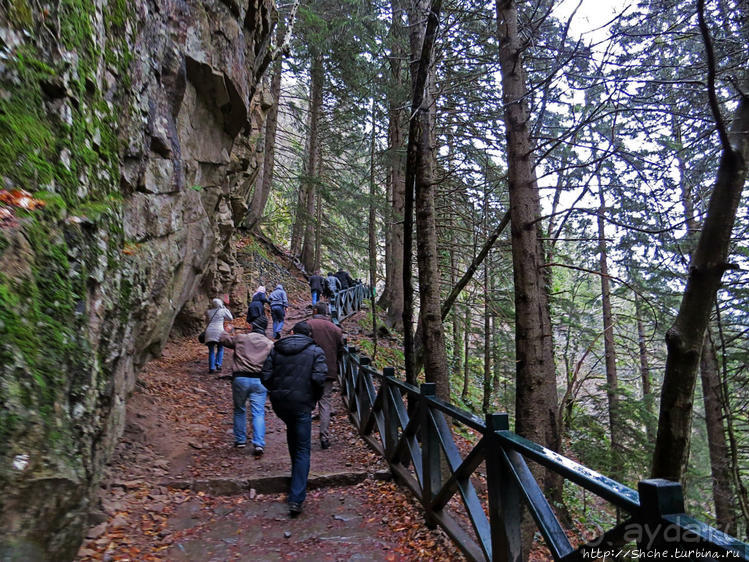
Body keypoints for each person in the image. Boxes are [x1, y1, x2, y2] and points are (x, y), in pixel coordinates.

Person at [261, 321, 326, 516]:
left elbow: (265, 374)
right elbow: (319, 378)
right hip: (302, 403)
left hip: (281, 403)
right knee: (302, 448)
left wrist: (275, 391)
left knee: (293, 434)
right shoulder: (316, 351)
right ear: (309, 334)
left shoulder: (277, 349)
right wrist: (314, 397)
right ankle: (296, 498)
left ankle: (295, 478)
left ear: (292, 332)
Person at [220, 317, 274, 455]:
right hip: (260, 381)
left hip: (241, 379)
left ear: (251, 327)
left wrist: (227, 331)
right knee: (258, 412)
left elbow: (224, 340)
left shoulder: (241, 338)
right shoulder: (269, 344)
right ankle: (259, 443)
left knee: (239, 409)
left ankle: (240, 440)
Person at [306, 303, 343, 450]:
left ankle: (304, 436)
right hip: (328, 370)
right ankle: (324, 436)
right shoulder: (336, 329)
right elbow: (340, 350)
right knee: (325, 403)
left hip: (309, 369)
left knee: (307, 402)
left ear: (315, 311)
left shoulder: (308, 325)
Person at [204, 297, 233, 374]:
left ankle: (211, 368)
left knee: (211, 351)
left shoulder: (208, 312)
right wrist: (225, 308)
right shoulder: (223, 311)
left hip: (209, 332)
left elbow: (207, 322)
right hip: (219, 332)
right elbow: (230, 318)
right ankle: (218, 364)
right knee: (220, 348)